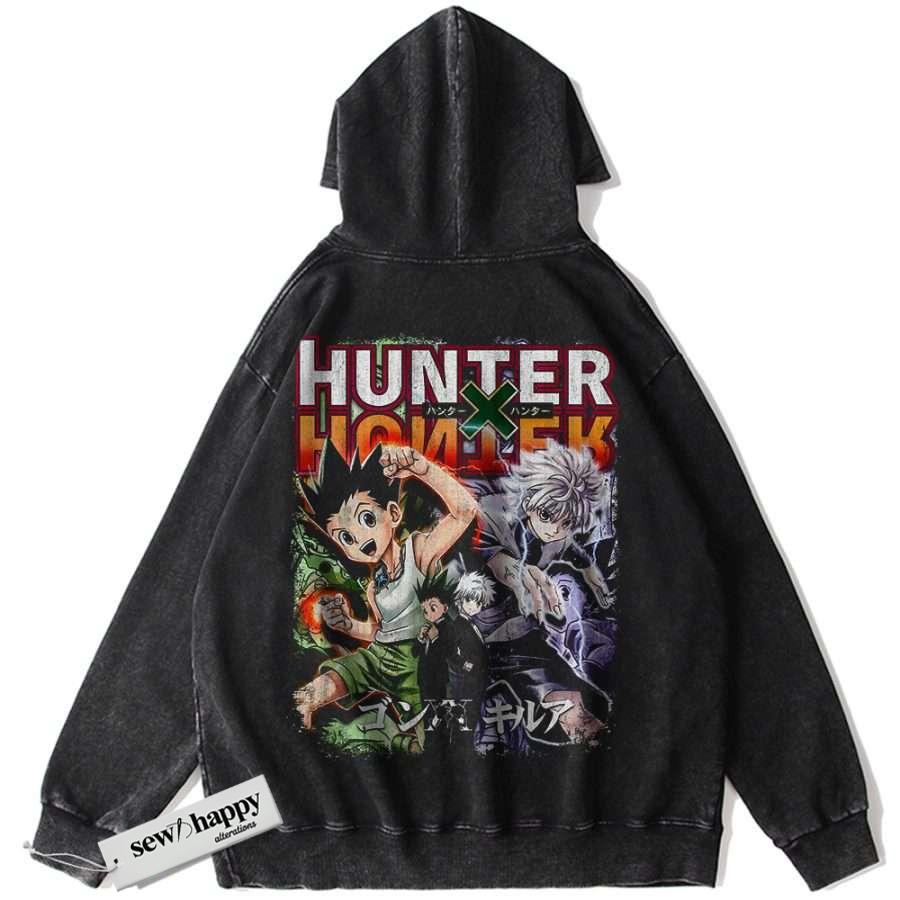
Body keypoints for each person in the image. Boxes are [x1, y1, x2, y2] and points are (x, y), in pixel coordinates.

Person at [292, 440, 477, 751]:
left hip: (417, 662)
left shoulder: (418, 552)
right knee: (345, 671)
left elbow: (465, 511)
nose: (359, 540)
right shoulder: (374, 585)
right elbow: (378, 631)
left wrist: (422, 469)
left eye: (366, 519)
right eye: (345, 537)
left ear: (392, 512)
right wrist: (348, 625)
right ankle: (301, 706)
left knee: (428, 737)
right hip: (379, 656)